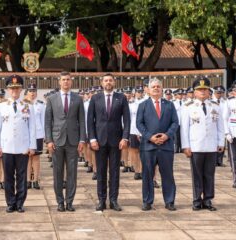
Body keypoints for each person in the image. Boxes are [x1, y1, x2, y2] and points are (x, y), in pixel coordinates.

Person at [87, 73, 130, 212]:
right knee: (100, 172)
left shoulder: (121, 98)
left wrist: (125, 138)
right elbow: (90, 121)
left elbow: (127, 120)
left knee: (115, 172)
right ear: (102, 83)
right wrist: (92, 138)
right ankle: (101, 200)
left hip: (116, 141)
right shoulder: (95, 98)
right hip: (99, 141)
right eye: (106, 80)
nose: (108, 82)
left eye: (110, 80)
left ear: (114, 82)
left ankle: (113, 200)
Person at [0, 75, 36, 213]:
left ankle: (20, 203)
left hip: (23, 147)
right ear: (7, 89)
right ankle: (10, 202)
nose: (14, 91)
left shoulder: (28, 105)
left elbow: (32, 127)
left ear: (21, 89)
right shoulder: (1, 106)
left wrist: (32, 146)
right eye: (12, 88)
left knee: (22, 176)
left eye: (17, 88)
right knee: (8, 176)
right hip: (6, 146)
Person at [181, 77, 225, 211]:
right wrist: (186, 146)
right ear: (194, 92)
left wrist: (220, 142)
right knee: (197, 174)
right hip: (196, 146)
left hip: (211, 146)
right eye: (199, 90)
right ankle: (196, 200)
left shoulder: (215, 106)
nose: (202, 92)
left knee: (209, 174)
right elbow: (184, 128)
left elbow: (220, 126)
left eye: (205, 89)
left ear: (209, 91)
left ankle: (208, 200)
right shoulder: (188, 106)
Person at [45, 71, 86, 212]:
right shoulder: (51, 99)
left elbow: (81, 120)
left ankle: (70, 201)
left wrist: (82, 139)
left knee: (72, 173)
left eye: (68, 79)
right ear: (59, 82)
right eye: (63, 80)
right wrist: (49, 140)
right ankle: (60, 202)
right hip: (57, 141)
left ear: (71, 81)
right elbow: (47, 122)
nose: (66, 82)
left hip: (73, 141)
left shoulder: (78, 99)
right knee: (57, 172)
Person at [136, 78, 179, 211]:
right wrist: (150, 137)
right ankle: (147, 201)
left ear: (161, 89)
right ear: (148, 90)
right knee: (147, 174)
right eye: (153, 87)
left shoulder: (169, 105)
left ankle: (169, 201)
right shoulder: (142, 105)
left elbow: (175, 123)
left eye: (158, 87)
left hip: (166, 145)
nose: (156, 89)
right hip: (149, 146)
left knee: (167, 174)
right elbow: (139, 124)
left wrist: (167, 135)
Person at [24, 83, 45, 190]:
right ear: (27, 92)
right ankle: (27, 180)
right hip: (26, 135)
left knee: (36, 158)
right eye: (30, 91)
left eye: (34, 91)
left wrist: (45, 135)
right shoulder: (23, 104)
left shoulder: (40, 105)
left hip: (38, 134)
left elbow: (43, 120)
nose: (32, 93)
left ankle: (36, 180)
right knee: (27, 158)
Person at [223, 85, 236, 188]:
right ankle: (235, 180)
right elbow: (225, 118)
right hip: (233, 133)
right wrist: (227, 133)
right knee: (234, 158)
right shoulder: (229, 102)